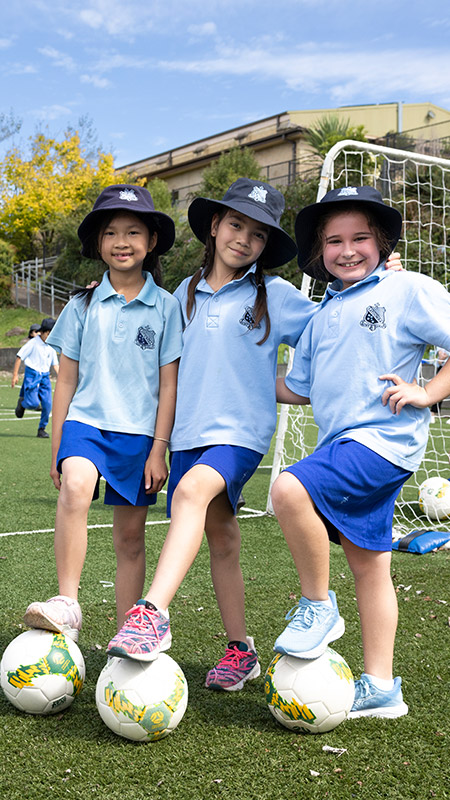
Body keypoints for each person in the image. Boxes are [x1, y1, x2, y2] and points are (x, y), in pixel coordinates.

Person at [105, 178, 403, 690]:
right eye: (236, 224)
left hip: (239, 436)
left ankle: (151, 612)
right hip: (185, 437)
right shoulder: (183, 295)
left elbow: (338, 327)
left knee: (194, 493)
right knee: (222, 539)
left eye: (259, 234)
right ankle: (241, 650)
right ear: (215, 226)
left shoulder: (279, 295)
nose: (244, 238)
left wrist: (381, 284)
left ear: (267, 246)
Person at [271, 185, 450, 718]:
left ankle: (318, 606)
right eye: (333, 241)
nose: (347, 250)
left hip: (382, 442)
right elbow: (296, 387)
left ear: (383, 242)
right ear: (319, 252)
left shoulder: (408, 289)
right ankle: (381, 688)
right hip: (345, 445)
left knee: (287, 487)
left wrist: (429, 392)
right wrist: (230, 368)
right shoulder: (322, 314)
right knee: (371, 567)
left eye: (360, 238)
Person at [23, 184, 183, 641]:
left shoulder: (168, 307)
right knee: (76, 485)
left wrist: (159, 450)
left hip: (138, 436)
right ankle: (67, 604)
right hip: (86, 425)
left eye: (134, 231)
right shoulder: (81, 304)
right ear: (98, 243)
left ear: (151, 241)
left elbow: (169, 384)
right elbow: (66, 380)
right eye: (111, 232)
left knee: (130, 540)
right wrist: (57, 444)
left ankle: (127, 631)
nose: (122, 241)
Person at [12, 317, 59, 438]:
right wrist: (15, 375)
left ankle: (41, 429)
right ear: (42, 332)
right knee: (33, 404)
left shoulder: (51, 346)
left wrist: (63, 378)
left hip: (44, 377)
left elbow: (55, 364)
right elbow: (19, 357)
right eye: (48, 333)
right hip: (32, 375)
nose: (50, 336)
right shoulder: (33, 343)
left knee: (48, 405)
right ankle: (22, 404)